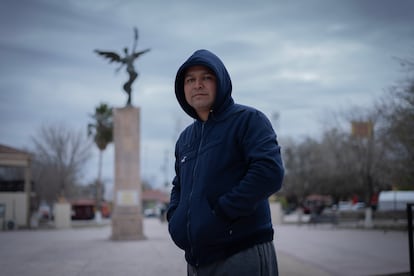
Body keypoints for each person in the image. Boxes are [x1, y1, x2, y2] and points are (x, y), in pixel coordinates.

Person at [167, 49, 285, 276]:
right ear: (182, 89)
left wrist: (221, 213)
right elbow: (178, 186)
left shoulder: (249, 120)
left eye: (206, 78)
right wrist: (175, 220)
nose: (197, 85)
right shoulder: (185, 139)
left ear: (221, 81)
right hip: (196, 261)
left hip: (240, 253)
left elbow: (268, 172)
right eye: (190, 80)